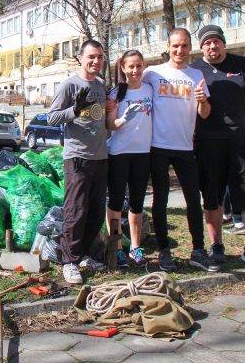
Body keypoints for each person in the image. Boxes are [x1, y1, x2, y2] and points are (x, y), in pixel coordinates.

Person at [190, 24, 245, 274]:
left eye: (216, 41)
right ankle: (216, 246)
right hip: (209, 142)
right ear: (201, 47)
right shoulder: (194, 70)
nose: (212, 46)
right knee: (212, 196)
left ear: (223, 43)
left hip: (244, 140)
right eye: (207, 43)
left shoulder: (243, 64)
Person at [143, 27, 212, 272]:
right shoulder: (152, 73)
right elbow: (134, 88)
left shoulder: (196, 75)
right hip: (158, 146)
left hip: (185, 147)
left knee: (193, 199)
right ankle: (164, 251)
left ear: (190, 47)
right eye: (175, 46)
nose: (179, 50)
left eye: (184, 46)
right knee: (160, 200)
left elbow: (205, 113)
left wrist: (203, 100)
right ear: (168, 47)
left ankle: (198, 250)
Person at [47, 40, 111, 284]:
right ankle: (69, 262)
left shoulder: (101, 85)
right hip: (77, 158)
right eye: (91, 57)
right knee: (76, 211)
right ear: (81, 58)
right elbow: (52, 118)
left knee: (95, 212)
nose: (96, 61)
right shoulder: (70, 85)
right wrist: (74, 110)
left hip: (100, 156)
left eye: (100, 57)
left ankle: (84, 255)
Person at [105, 49, 152, 267]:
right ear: (123, 68)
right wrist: (123, 119)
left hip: (143, 154)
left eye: (138, 66)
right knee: (115, 202)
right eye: (131, 66)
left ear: (144, 66)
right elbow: (110, 124)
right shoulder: (116, 93)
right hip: (119, 153)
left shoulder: (150, 89)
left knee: (137, 203)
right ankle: (116, 248)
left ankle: (135, 247)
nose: (135, 70)